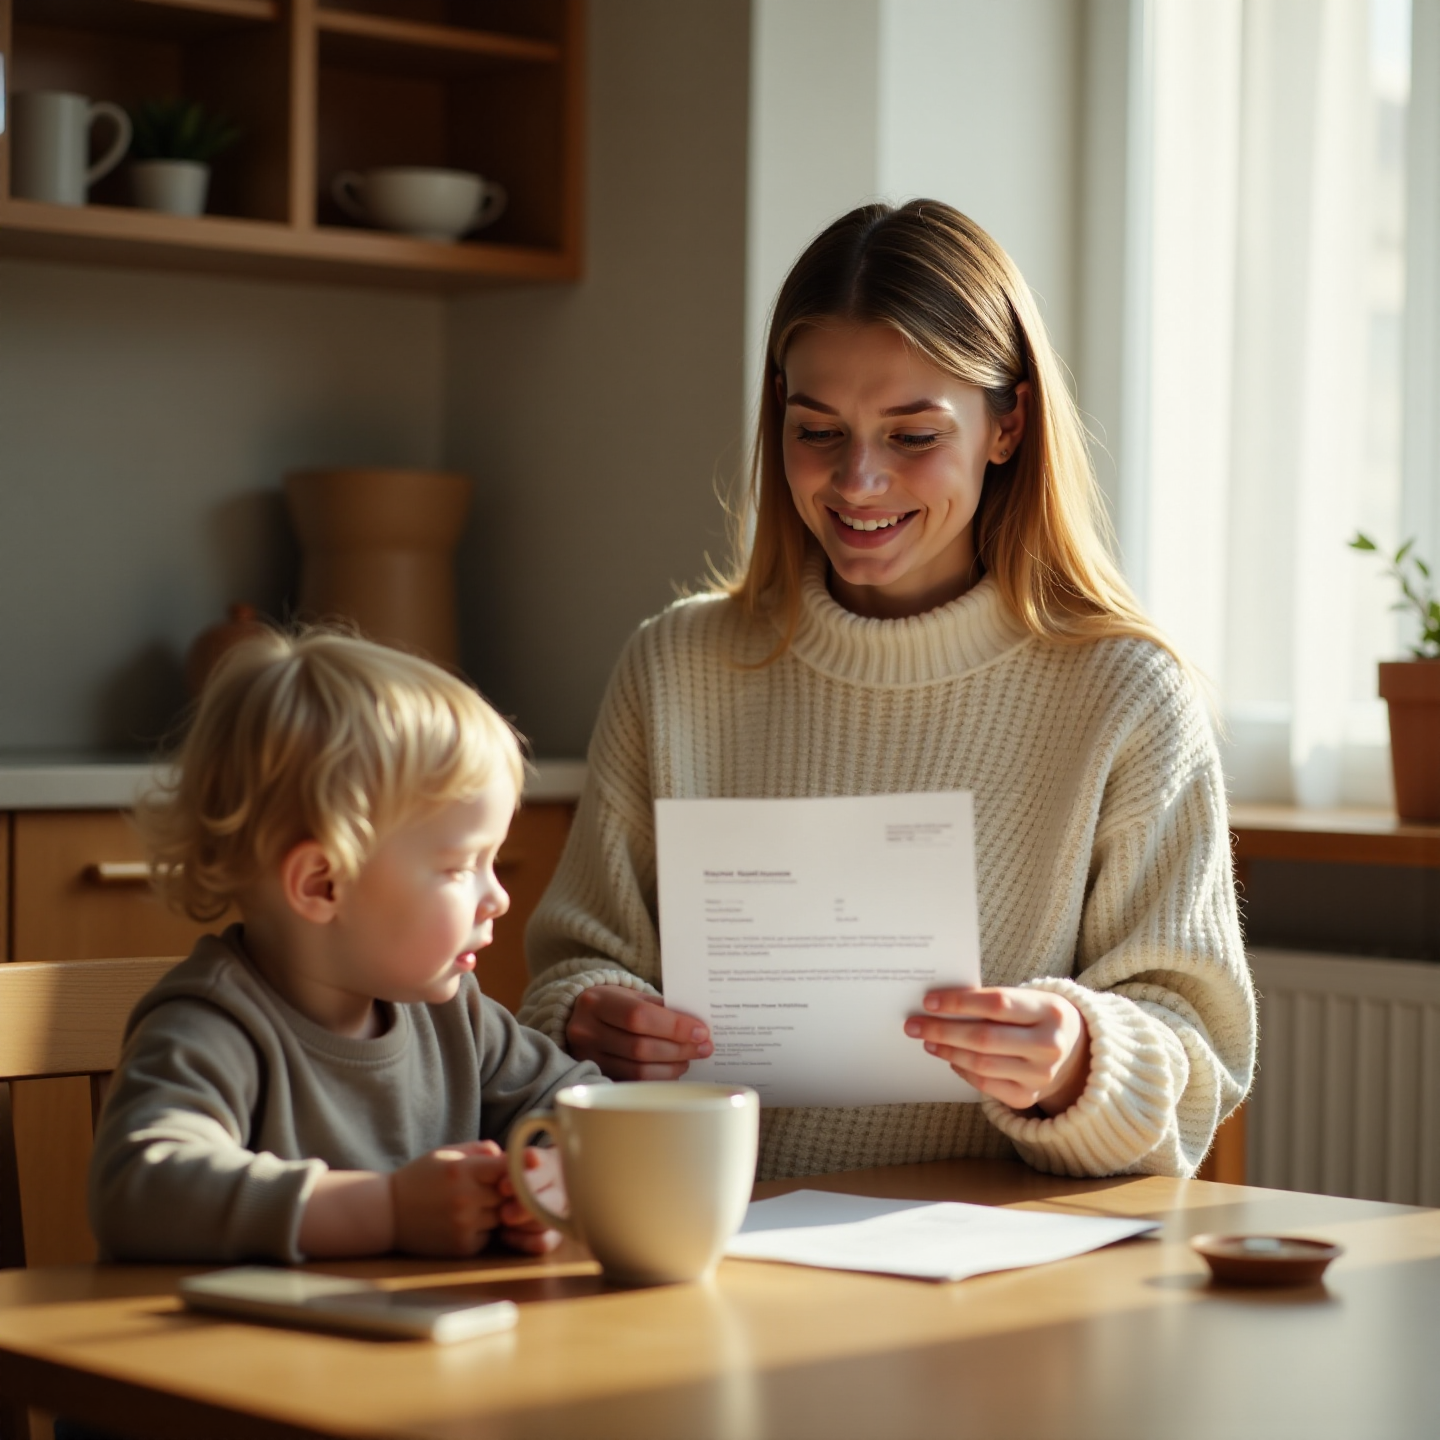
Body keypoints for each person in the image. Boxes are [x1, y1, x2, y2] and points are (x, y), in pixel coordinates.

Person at [518, 199, 1256, 1182]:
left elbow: (1197, 1053)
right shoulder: (676, 668)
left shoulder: (1127, 694)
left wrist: (1080, 1056)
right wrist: (595, 1019)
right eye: (817, 431)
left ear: (1009, 424)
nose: (858, 481)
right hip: (713, 1238)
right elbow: (568, 970)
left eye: (913, 436)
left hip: (998, 1260)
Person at [89, 628, 600, 1262]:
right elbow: (141, 1187)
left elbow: (587, 1109)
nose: (497, 898)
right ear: (323, 883)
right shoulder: (214, 1026)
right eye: (462, 865)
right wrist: (386, 1210)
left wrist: (548, 1183)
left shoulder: (453, 1015)